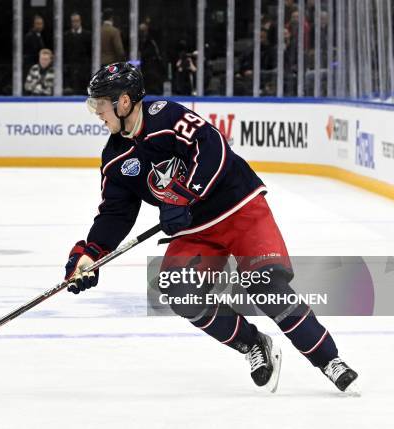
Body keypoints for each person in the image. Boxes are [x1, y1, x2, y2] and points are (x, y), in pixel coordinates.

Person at [64, 62, 359, 394]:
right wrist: (92, 253)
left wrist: (188, 195)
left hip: (240, 208)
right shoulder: (116, 158)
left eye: (101, 104)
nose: (97, 112)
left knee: (266, 286)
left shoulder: (166, 117)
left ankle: (328, 360)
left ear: (124, 102)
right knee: (180, 291)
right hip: (194, 230)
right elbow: (115, 213)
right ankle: (253, 344)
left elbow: (212, 145)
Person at [63, 12, 91, 95]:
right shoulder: (66, 35)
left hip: (84, 68)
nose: (75, 23)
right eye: (73, 21)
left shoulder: (88, 35)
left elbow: (90, 52)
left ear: (80, 21)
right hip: (70, 68)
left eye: (77, 21)